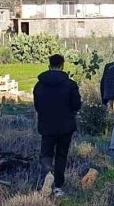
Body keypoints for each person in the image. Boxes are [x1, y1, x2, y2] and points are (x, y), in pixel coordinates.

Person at [33, 54, 81, 198]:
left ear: (49, 65)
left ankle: (48, 174)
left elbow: (37, 106)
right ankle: (58, 187)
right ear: (62, 66)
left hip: (46, 125)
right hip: (66, 126)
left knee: (46, 154)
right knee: (61, 156)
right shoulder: (70, 84)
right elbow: (76, 105)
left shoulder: (39, 84)